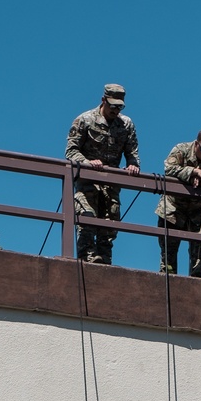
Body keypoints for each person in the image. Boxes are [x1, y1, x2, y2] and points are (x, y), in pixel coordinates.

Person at [65, 84, 140, 265]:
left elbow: (132, 153)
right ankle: (88, 260)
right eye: (112, 105)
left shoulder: (126, 124)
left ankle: (105, 263)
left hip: (111, 185)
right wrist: (87, 163)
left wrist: (132, 165)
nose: (115, 110)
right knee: (86, 218)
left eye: (119, 107)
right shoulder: (85, 120)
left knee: (109, 225)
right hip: (87, 181)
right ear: (103, 100)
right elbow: (71, 151)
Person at [155, 129, 201, 278]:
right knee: (168, 253)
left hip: (196, 211)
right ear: (196, 144)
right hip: (173, 208)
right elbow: (168, 168)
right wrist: (192, 172)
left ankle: (198, 284)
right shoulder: (181, 149)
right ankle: (169, 281)